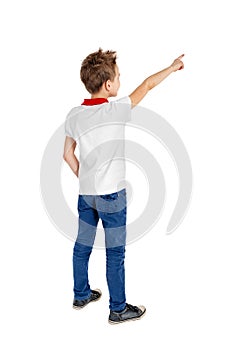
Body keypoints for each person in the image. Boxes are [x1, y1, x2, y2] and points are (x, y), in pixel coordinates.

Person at [63, 48, 184, 324]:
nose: (120, 80)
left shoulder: (73, 114)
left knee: (82, 246)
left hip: (85, 195)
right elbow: (149, 84)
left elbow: (67, 154)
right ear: (108, 84)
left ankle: (80, 294)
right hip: (112, 197)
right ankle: (117, 309)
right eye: (118, 77)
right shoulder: (116, 109)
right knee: (115, 253)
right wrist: (173, 66)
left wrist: (86, 178)